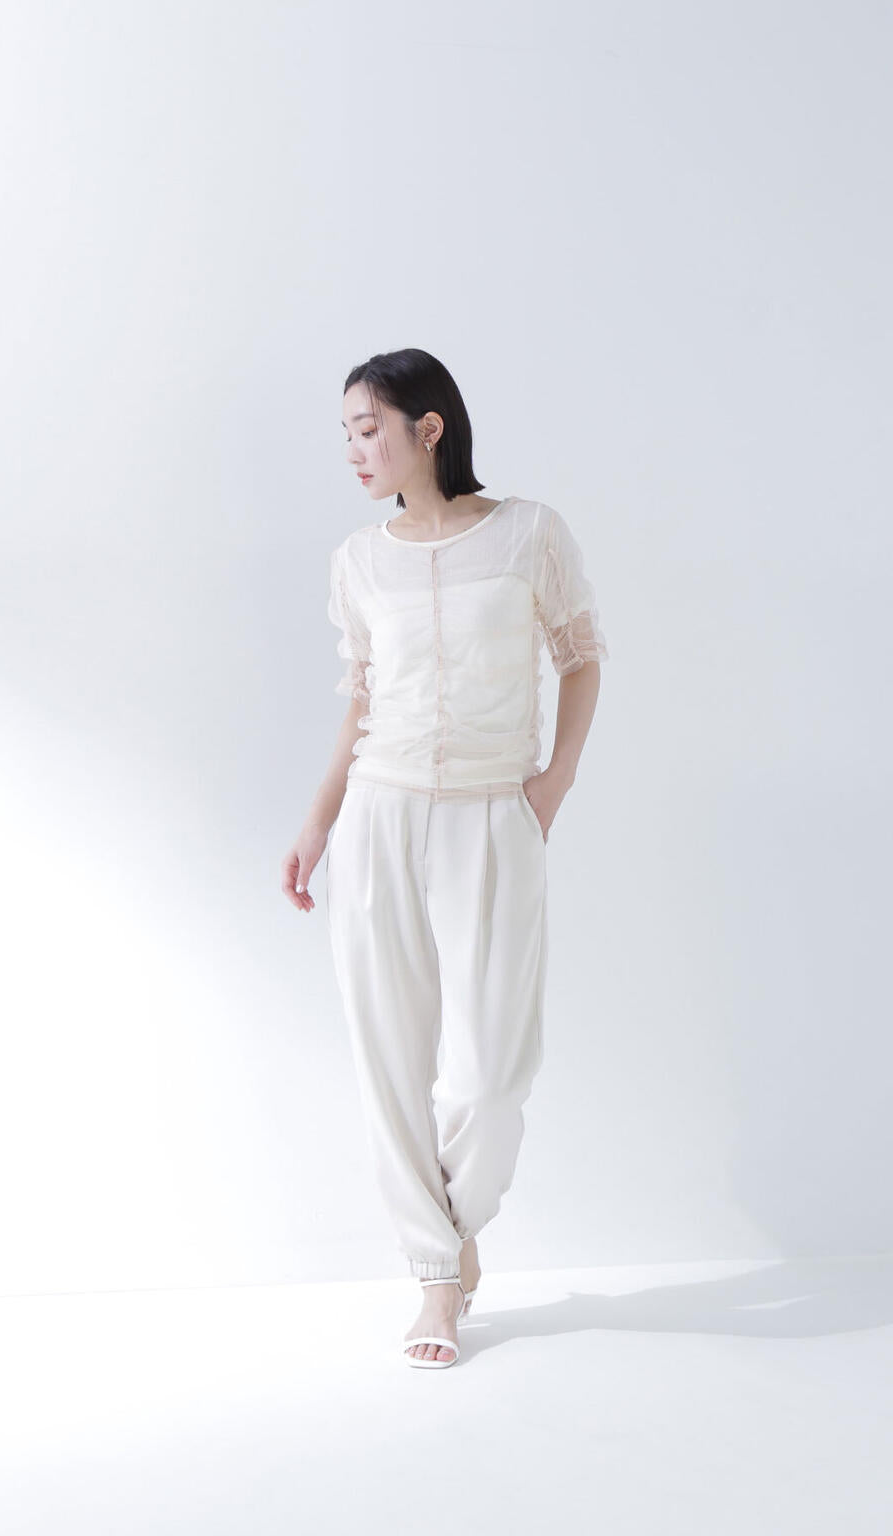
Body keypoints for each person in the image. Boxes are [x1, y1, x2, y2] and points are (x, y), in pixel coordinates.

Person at [282, 348, 608, 1369]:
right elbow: (361, 706)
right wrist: (318, 822)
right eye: (344, 432)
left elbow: (581, 658)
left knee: (490, 1075)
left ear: (428, 429)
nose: (352, 449)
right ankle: (435, 1277)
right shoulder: (358, 561)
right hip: (379, 814)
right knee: (389, 1054)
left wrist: (551, 784)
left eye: (367, 428)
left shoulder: (527, 534)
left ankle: (457, 1229)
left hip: (492, 811)